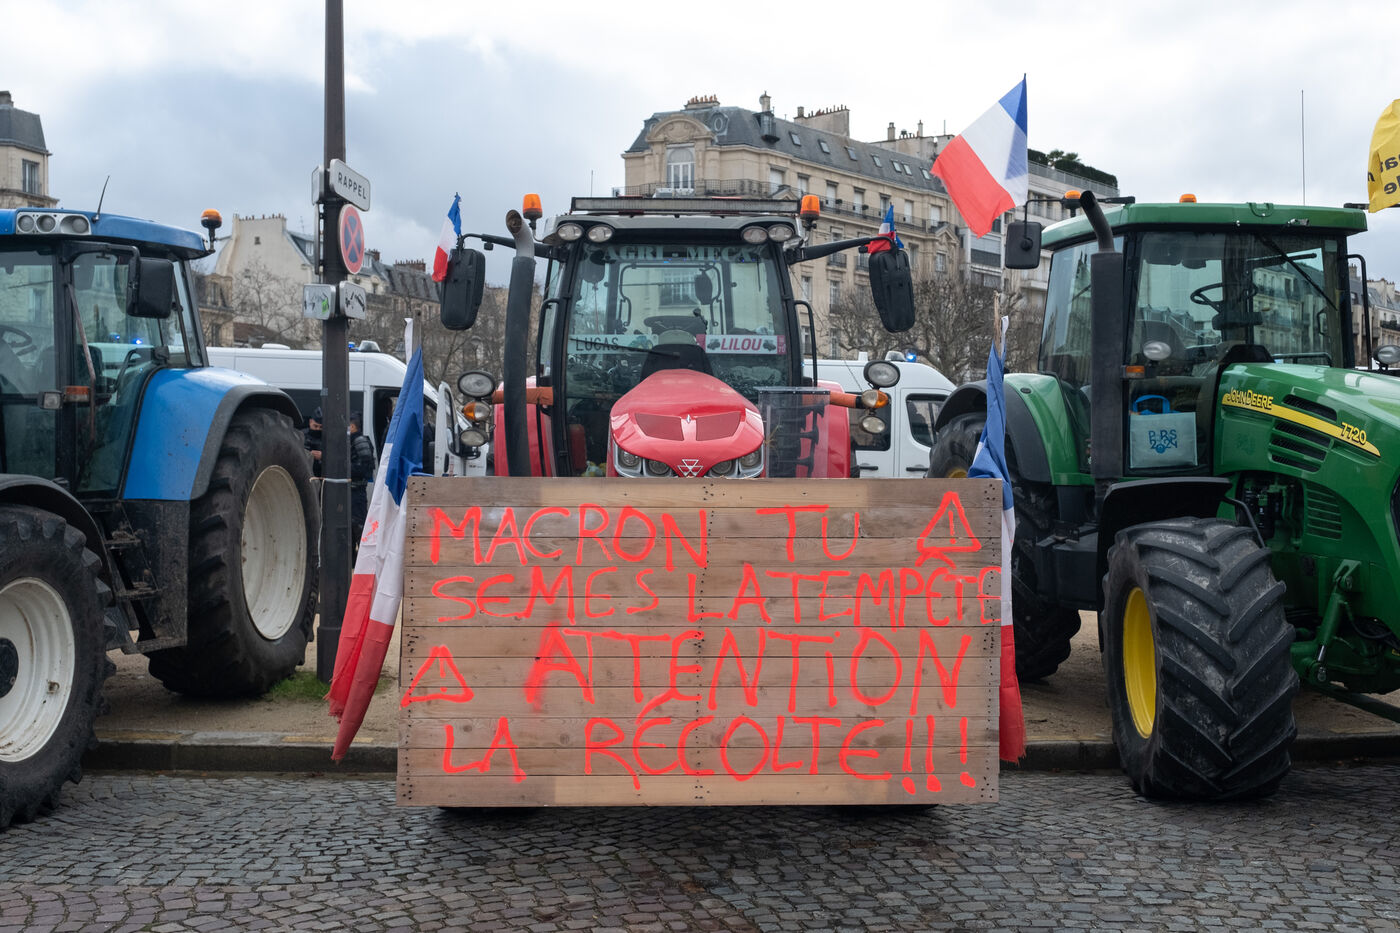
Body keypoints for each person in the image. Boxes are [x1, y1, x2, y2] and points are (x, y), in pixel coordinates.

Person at [349, 411, 376, 556]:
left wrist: (343, 467)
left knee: (359, 527)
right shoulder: (353, 440)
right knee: (351, 529)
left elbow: (366, 468)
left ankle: (365, 559)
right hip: (351, 492)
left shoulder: (359, 441)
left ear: (353, 426)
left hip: (357, 492)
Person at [303, 408, 324, 478]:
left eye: (321, 427)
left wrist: (323, 457)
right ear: (310, 422)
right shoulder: (301, 435)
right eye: (315, 426)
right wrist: (308, 454)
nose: (318, 429)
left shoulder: (328, 438)